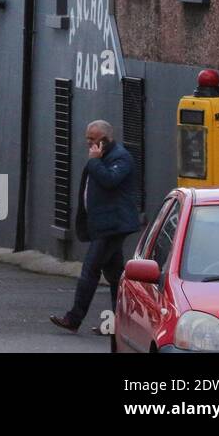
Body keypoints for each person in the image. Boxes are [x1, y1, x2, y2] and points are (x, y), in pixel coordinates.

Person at [50, 120, 138, 335]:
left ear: (106, 140)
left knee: (90, 270)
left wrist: (94, 162)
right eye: (88, 138)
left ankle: (73, 319)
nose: (88, 143)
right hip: (103, 226)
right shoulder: (101, 157)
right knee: (116, 276)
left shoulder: (120, 157)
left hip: (113, 226)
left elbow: (110, 180)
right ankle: (121, 324)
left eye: (93, 139)